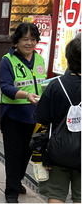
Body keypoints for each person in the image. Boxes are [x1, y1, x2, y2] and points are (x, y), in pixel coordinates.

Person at [0, 23, 46, 203]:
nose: (29, 43)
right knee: (13, 154)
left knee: (27, 152)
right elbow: (6, 87)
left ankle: (17, 182)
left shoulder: (39, 59)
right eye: (25, 39)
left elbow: (43, 83)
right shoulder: (7, 61)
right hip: (13, 114)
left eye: (33, 39)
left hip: (34, 115)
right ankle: (11, 191)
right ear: (16, 41)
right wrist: (27, 95)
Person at [34, 34, 81, 203]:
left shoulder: (55, 85)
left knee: (56, 194)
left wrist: (39, 155)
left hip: (58, 152)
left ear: (68, 58)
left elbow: (41, 123)